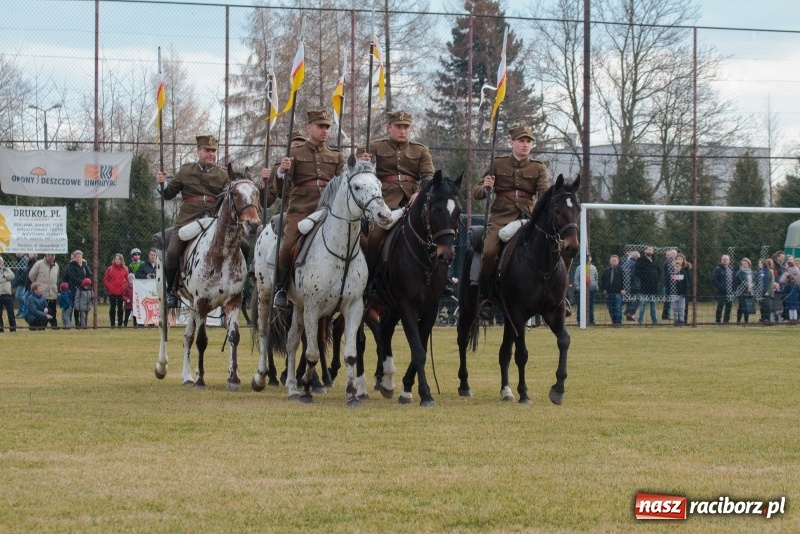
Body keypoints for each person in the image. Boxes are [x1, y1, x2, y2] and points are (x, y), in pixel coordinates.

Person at [472, 125, 550, 320]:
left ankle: (557, 295)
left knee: (553, 246)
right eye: (521, 141)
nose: (525, 145)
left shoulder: (538, 167)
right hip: (501, 217)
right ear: (511, 143)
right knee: (489, 251)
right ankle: (486, 297)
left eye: (528, 141)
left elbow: (544, 194)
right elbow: (476, 192)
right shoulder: (497, 164)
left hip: (528, 218)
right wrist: (486, 187)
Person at [272, 110, 345, 309]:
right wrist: (281, 172)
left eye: (327, 127)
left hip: (329, 210)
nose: (324, 130)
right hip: (302, 209)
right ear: (309, 128)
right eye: (320, 126)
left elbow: (344, 184)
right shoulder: (294, 154)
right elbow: (282, 191)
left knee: (360, 240)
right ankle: (281, 289)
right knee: (287, 245)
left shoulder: (336, 155)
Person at [358, 111, 436, 287]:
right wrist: (363, 161)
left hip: (413, 201)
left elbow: (429, 176)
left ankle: (440, 278)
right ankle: (370, 279)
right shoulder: (374, 147)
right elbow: (360, 175)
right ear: (389, 128)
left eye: (406, 127)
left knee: (437, 232)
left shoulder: (421, 150)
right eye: (398, 127)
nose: (403, 131)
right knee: (375, 237)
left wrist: (420, 193)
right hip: (383, 202)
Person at [156, 134, 231, 308]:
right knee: (173, 251)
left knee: (243, 245)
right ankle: (171, 291)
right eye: (207, 151)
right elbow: (169, 194)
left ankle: (234, 287)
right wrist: (162, 184)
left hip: (214, 219)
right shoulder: (185, 170)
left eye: (214, 151)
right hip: (188, 219)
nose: (211, 154)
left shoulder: (223, 174)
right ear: (199, 151)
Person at [28, 253, 59, 329]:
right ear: (46, 256)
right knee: (42, 311)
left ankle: (54, 326)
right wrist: (37, 286)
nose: (52, 258)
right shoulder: (39, 264)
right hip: (42, 294)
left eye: (53, 256)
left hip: (52, 294)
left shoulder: (56, 266)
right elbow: (31, 275)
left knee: (53, 311)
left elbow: (57, 278)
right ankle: (41, 326)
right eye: (50, 256)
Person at [62, 249, 92, 327]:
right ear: (74, 258)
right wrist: (82, 282)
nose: (79, 258)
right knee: (76, 306)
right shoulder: (71, 267)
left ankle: (84, 323)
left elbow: (89, 276)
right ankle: (77, 322)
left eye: (80, 257)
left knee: (85, 306)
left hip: (85, 290)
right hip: (75, 289)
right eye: (77, 257)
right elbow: (72, 277)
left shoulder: (85, 266)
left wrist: (86, 283)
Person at [103, 253, 129, 328]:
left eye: (118, 259)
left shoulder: (125, 269)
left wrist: (124, 287)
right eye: (116, 259)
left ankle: (120, 324)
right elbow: (105, 279)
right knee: (112, 308)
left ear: (121, 260)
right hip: (112, 292)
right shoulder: (110, 269)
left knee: (120, 309)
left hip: (121, 292)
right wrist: (109, 286)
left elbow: (128, 280)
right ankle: (112, 324)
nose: (117, 260)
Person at [635, 246, 659, 325]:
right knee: (642, 304)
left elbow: (659, 271)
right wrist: (646, 277)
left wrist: (656, 278)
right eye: (648, 249)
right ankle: (640, 320)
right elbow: (636, 272)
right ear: (645, 251)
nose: (650, 251)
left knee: (653, 305)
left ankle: (654, 321)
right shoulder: (640, 260)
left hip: (654, 287)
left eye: (651, 250)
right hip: (644, 286)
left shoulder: (655, 260)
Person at [600, 254, 625, 325]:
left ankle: (618, 322)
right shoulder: (606, 270)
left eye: (615, 260)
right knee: (610, 308)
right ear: (610, 261)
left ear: (618, 261)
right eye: (612, 260)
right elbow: (603, 280)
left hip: (618, 292)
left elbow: (624, 281)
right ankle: (613, 322)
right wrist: (604, 289)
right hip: (608, 292)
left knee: (617, 308)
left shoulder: (621, 270)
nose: (613, 261)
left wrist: (623, 289)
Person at [573, 253, 598, 324]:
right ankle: (580, 320)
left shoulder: (594, 268)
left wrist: (596, 286)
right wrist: (578, 288)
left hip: (592, 290)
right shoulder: (579, 268)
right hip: (581, 290)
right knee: (580, 305)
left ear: (591, 258)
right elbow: (576, 278)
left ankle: (591, 320)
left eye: (589, 257)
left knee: (591, 305)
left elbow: (596, 278)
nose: (587, 259)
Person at [669, 254, 692, 326]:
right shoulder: (671, 274)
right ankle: (676, 321)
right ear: (674, 266)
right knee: (675, 309)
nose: (677, 267)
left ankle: (682, 321)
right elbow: (669, 282)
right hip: (673, 293)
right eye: (676, 266)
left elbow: (686, 283)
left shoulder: (684, 273)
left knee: (682, 308)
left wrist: (685, 292)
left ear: (681, 267)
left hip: (682, 293)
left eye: (678, 266)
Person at [712, 254, 734, 324]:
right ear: (721, 260)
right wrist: (720, 287)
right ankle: (718, 321)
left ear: (729, 261)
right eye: (723, 259)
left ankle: (726, 321)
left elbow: (734, 280)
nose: (725, 260)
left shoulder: (731, 269)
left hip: (730, 291)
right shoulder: (717, 269)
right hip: (721, 292)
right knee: (720, 306)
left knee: (729, 306)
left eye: (726, 259)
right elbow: (714, 279)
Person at [734, 257, 754, 324]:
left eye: (745, 263)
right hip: (741, 292)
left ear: (748, 264)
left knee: (747, 306)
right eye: (743, 264)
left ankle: (746, 321)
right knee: (741, 306)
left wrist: (752, 285)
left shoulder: (751, 272)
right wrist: (748, 285)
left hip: (750, 291)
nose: (744, 265)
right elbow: (741, 280)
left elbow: (754, 280)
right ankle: (738, 321)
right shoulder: (739, 272)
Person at [622, 250, 640, 321]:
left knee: (629, 300)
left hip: (626, 284)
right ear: (636, 257)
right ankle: (629, 312)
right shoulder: (635, 264)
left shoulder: (625, 263)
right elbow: (633, 274)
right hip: (635, 284)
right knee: (639, 299)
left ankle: (628, 316)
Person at [0, 256, 17, 332]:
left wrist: (4, 276)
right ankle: (0, 328)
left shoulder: (7, 269)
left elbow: (12, 276)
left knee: (10, 311)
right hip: (0, 294)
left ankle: (13, 327)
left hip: (7, 294)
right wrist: (6, 278)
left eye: (0, 261)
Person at [757, 258, 776, 323]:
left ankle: (768, 319)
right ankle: (763, 318)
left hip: (768, 293)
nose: (758, 264)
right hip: (761, 293)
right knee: (762, 307)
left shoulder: (770, 271)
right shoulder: (759, 272)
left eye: (760, 263)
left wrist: (768, 291)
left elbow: (771, 282)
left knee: (767, 306)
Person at [12, 252, 30, 318]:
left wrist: (19, 279)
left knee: (19, 296)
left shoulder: (24, 259)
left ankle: (24, 310)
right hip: (20, 282)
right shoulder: (19, 259)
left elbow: (25, 272)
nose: (17, 253)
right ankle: (21, 312)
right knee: (20, 296)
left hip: (22, 282)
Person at [661, 248, 677, 320]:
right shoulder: (670, 262)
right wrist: (678, 277)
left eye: (675, 254)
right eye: (674, 254)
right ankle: (666, 315)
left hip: (668, 283)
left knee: (668, 300)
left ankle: (666, 315)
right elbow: (671, 274)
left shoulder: (670, 261)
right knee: (668, 300)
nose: (675, 255)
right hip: (669, 284)